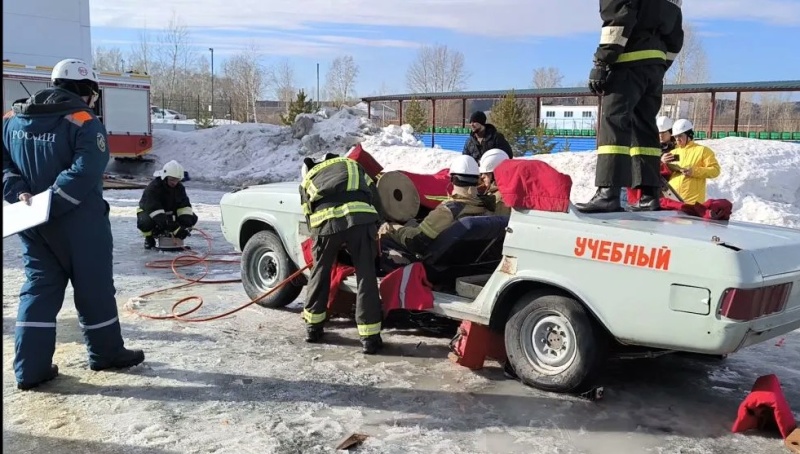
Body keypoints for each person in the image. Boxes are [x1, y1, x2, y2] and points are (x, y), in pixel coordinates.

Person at [2, 58, 144, 390]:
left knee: (38, 291)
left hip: (33, 222)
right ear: (86, 90)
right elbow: (86, 171)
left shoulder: (12, 118)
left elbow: (4, 164)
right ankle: (106, 353)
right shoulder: (84, 121)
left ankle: (30, 369)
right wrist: (55, 202)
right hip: (81, 225)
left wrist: (20, 193)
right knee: (94, 289)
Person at [576, 0, 684, 213]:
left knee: (614, 122)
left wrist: (602, 61)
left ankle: (608, 193)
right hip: (654, 66)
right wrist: (659, 63)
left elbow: (618, 20)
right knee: (644, 128)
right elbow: (676, 37)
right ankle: (649, 195)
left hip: (627, 62)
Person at [300, 153, 386, 354]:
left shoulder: (308, 178)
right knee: (366, 275)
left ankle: (313, 328)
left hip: (326, 223)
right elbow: (375, 197)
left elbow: (308, 214)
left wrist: (322, 243)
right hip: (361, 221)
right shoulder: (352, 165)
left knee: (320, 272)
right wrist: (376, 224)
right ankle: (370, 338)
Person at [381, 155, 488, 256]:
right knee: (412, 223)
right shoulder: (485, 206)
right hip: (464, 259)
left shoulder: (448, 210)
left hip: (435, 262)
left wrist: (394, 227)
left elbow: (415, 242)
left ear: (452, 179)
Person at [137, 160, 198, 249]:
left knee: (192, 217)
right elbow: (155, 211)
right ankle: (149, 237)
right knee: (145, 222)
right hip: (151, 212)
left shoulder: (179, 188)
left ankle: (173, 236)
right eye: (171, 180)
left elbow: (184, 207)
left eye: (177, 180)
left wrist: (184, 225)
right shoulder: (153, 188)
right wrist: (174, 228)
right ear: (165, 177)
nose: (174, 182)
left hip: (168, 212)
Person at [661, 119, 721, 204]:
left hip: (692, 202)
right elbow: (662, 174)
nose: (677, 139)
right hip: (672, 199)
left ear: (689, 134)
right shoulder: (673, 152)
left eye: (680, 136)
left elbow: (715, 171)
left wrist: (694, 171)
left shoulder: (703, 151)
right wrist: (662, 162)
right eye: (675, 136)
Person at [477, 148, 512, 216]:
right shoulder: (493, 190)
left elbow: (496, 224)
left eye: (486, 173)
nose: (482, 176)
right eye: (482, 173)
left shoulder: (501, 199)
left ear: (496, 174)